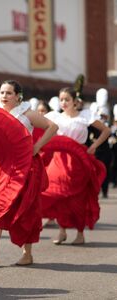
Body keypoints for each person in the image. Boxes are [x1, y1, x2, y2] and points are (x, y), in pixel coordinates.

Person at [0, 80, 58, 266]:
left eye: (9, 93)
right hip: (0, 167)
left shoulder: (27, 113)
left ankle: (27, 254)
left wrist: (37, 147)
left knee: (26, 208)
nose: (4, 96)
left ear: (18, 96)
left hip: (24, 166)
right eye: (2, 92)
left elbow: (52, 127)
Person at [41, 87, 110, 245]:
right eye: (61, 99)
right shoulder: (54, 117)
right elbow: (38, 130)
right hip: (59, 160)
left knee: (78, 197)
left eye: (67, 99)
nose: (63, 103)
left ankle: (80, 233)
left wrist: (94, 146)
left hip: (78, 161)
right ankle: (62, 231)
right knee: (56, 194)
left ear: (74, 101)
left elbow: (105, 130)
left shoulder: (85, 116)